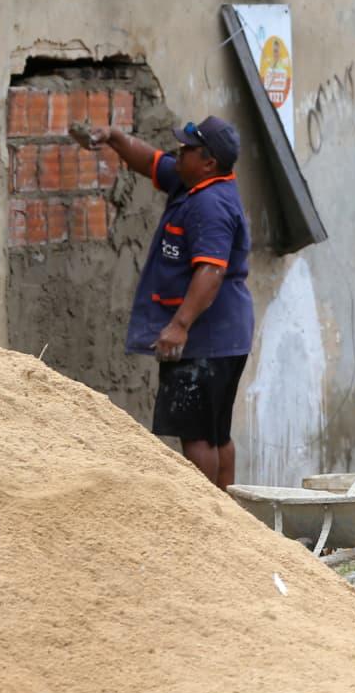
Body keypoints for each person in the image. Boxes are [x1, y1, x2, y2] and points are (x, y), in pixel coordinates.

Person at [74, 115, 254, 489]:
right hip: (224, 336)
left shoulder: (210, 204)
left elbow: (210, 272)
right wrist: (114, 137)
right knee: (216, 433)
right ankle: (229, 520)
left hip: (207, 338)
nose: (178, 153)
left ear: (209, 162)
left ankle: (210, 517)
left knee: (199, 435)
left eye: (187, 149)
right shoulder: (193, 182)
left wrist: (179, 325)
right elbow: (151, 161)